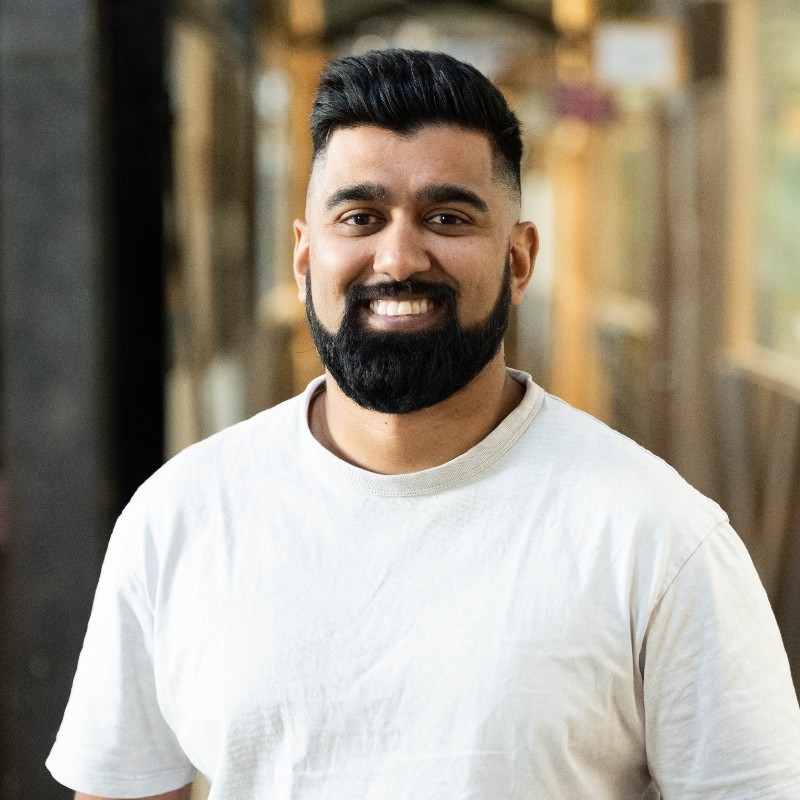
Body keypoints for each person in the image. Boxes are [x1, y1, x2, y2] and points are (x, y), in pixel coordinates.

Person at [48, 48, 800, 800]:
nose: (400, 257)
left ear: (519, 258)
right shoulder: (181, 515)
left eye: (447, 217)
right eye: (360, 217)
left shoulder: (658, 537)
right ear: (304, 257)